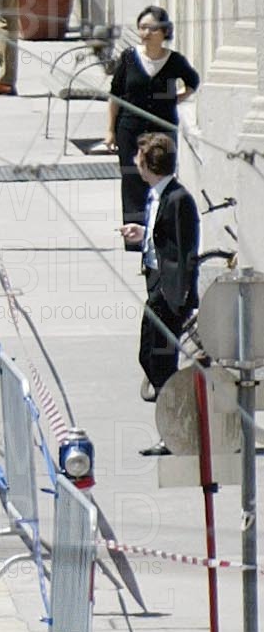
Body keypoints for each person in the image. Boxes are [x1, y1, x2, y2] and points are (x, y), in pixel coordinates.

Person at [125, 134, 200, 430]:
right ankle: (170, 413)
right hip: (156, 286)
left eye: (139, 158)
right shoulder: (157, 195)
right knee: (149, 355)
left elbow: (185, 252)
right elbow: (164, 237)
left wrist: (180, 297)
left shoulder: (178, 199)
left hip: (169, 293)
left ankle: (174, 425)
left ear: (149, 165)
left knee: (161, 361)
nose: (135, 162)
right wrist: (143, 234)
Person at [104, 8, 200, 228]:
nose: (146, 33)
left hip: (162, 132)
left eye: (152, 28)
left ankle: (160, 232)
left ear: (164, 31)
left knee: (161, 180)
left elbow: (192, 81)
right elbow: (115, 95)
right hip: (130, 131)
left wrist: (175, 99)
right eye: (142, 28)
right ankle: (135, 234)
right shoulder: (129, 58)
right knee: (132, 182)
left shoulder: (174, 61)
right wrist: (110, 130)